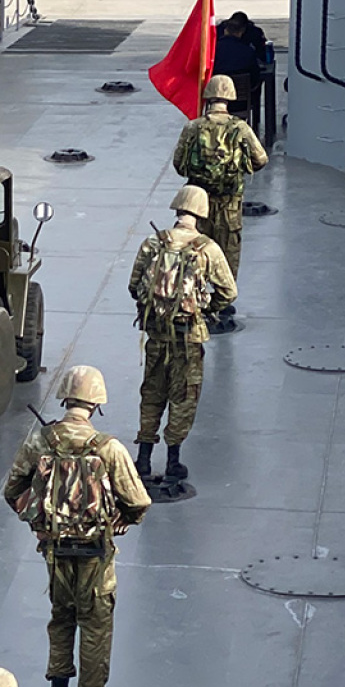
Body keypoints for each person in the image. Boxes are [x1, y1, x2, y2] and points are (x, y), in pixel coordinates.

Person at [1, 365, 151, 687]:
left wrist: (39, 523)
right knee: (96, 625)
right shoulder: (108, 448)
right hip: (96, 555)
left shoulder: (41, 441)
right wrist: (122, 522)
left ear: (65, 398)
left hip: (56, 552)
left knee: (62, 618)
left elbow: (13, 490)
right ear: (96, 404)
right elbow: (138, 501)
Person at [130, 186, 237, 487]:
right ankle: (173, 461)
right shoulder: (207, 249)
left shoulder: (153, 242)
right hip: (189, 336)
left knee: (152, 393)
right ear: (201, 213)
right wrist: (205, 308)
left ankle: (143, 459)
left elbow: (134, 285)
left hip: (156, 334)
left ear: (177, 209)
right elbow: (229, 292)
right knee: (183, 397)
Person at [171, 72, 268, 330]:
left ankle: (195, 296)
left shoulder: (193, 127)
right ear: (230, 97)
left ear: (208, 96)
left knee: (196, 249)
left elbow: (179, 165)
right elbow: (261, 159)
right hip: (230, 201)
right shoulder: (240, 128)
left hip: (197, 202)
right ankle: (223, 302)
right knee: (228, 250)